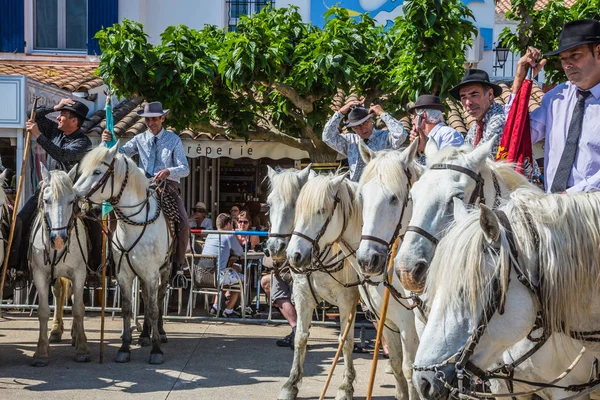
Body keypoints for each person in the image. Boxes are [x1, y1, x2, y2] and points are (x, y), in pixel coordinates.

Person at [8, 98, 102, 281]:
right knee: (19, 220)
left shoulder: (83, 143)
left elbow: (62, 155)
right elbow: (31, 115)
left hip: (70, 192)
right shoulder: (54, 130)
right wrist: (55, 106)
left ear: (74, 121)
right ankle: (18, 267)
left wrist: (38, 136)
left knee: (95, 223)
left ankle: (94, 267)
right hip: (48, 189)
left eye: (63, 115)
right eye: (59, 114)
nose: (58, 117)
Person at [510, 19, 600, 194]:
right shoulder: (556, 98)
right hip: (556, 211)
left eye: (575, 55)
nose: (567, 64)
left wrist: (573, 195)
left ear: (598, 52)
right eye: (563, 58)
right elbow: (517, 136)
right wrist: (519, 81)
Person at [102, 101, 190, 271]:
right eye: (147, 120)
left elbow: (185, 169)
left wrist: (168, 171)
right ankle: (113, 256)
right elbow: (118, 152)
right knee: (113, 212)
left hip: (166, 187)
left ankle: (178, 264)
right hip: (142, 185)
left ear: (163, 118)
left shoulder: (173, 140)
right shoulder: (139, 138)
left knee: (184, 222)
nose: (151, 123)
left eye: (154, 119)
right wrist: (107, 142)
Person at [323, 100, 408, 181]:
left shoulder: (385, 137)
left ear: (371, 120)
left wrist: (382, 113)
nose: (363, 129)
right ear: (352, 128)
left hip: (382, 187)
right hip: (356, 189)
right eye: (357, 127)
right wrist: (340, 113)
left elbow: (401, 134)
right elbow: (327, 137)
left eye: (365, 123)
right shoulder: (350, 141)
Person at [449, 69, 505, 157]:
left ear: (490, 94)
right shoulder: (476, 126)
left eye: (474, 95)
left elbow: (478, 160)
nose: (468, 103)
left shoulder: (499, 120)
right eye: (463, 97)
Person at [201, 213, 245, 318]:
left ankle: (215, 307)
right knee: (243, 279)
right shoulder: (228, 235)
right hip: (218, 277)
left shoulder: (210, 235)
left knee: (227, 273)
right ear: (229, 224)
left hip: (202, 275)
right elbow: (240, 252)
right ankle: (229, 310)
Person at [407, 94, 465, 163]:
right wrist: (414, 148)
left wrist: (425, 148)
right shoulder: (425, 138)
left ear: (423, 115)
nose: (413, 122)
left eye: (415, 117)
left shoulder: (449, 134)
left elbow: (450, 168)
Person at [260, 260, 297, 348]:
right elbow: (266, 260)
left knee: (298, 300)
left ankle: (298, 333)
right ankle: (296, 331)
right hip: (280, 271)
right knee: (280, 297)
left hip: (299, 269)